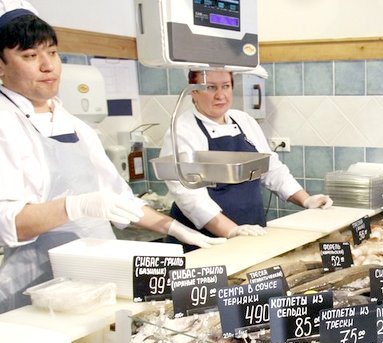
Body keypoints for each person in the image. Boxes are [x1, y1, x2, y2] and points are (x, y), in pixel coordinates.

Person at [0, 1, 226, 313]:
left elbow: (119, 199)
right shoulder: (4, 123)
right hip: (37, 289)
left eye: (52, 52)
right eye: (29, 56)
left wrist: (175, 228)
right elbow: (9, 223)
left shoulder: (75, 125)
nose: (47, 65)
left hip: (95, 280)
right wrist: (76, 206)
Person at [160, 70, 332, 250]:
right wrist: (232, 230)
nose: (220, 95)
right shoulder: (182, 130)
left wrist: (306, 200)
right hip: (204, 241)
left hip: (251, 230)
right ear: (193, 92)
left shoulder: (244, 120)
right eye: (211, 87)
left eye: (226, 86)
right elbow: (189, 196)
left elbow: (271, 169)